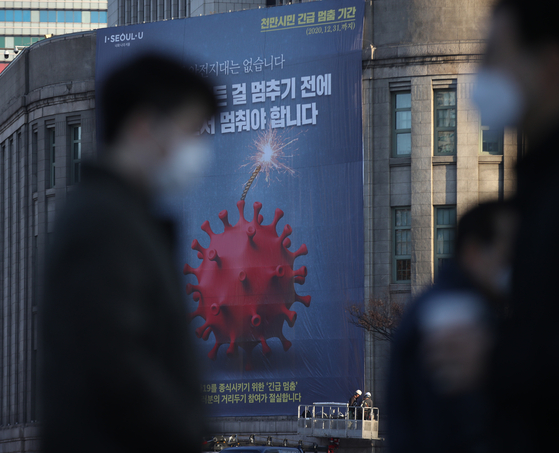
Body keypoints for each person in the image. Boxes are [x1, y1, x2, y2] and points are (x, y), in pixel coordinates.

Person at [39, 54, 217, 453]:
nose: (198, 151)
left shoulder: (126, 216)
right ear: (143, 127)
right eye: (191, 131)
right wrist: (184, 429)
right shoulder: (104, 221)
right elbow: (115, 364)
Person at [473, 2, 559, 451]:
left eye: (494, 55)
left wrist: (491, 359)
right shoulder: (536, 184)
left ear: (547, 64)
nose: (481, 74)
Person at [387, 201, 517, 453]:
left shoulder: (440, 301)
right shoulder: (455, 312)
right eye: (507, 250)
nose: (513, 261)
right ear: (473, 251)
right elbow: (461, 417)